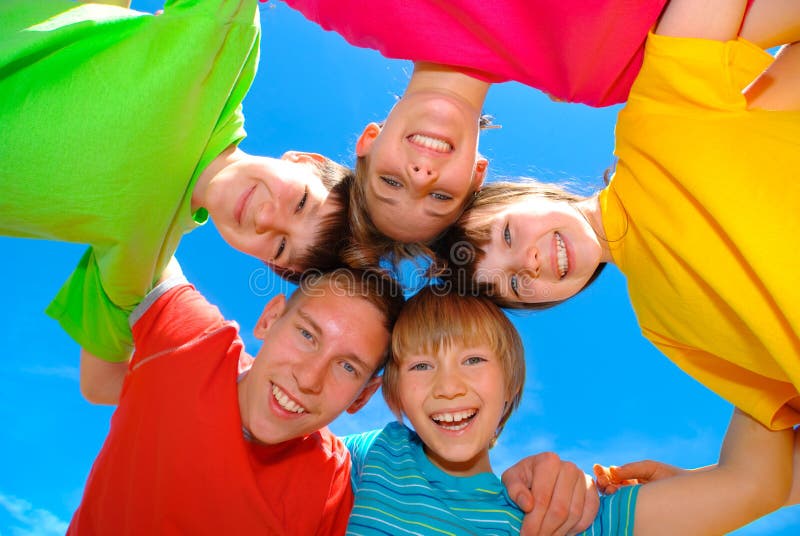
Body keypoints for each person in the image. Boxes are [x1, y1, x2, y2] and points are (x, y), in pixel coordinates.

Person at [435, 0, 800, 435]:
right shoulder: (663, 327)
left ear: (533, 192)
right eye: (514, 284)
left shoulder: (652, 119)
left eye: (509, 234)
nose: (528, 263)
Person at [0, 0, 351, 398]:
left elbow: (100, 385)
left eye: (282, 245)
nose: (268, 218)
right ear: (305, 160)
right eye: (303, 202)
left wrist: (238, 383)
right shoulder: (223, 49)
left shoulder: (142, 262)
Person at [343, 286, 794, 535]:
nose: (448, 386)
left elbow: (755, 484)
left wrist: (761, 316)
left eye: (474, 359)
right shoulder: (376, 456)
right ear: (394, 393)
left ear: (510, 384)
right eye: (422, 365)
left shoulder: (560, 515)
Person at [283, 0, 668, 262]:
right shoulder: (597, 72)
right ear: (477, 174)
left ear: (369, 141)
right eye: (439, 195)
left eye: (391, 183)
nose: (419, 176)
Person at [68, 263, 404, 533]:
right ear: (270, 320)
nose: (308, 378)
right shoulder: (191, 344)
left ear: (362, 397)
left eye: (347, 367)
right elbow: (135, 228)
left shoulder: (330, 490)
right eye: (306, 334)